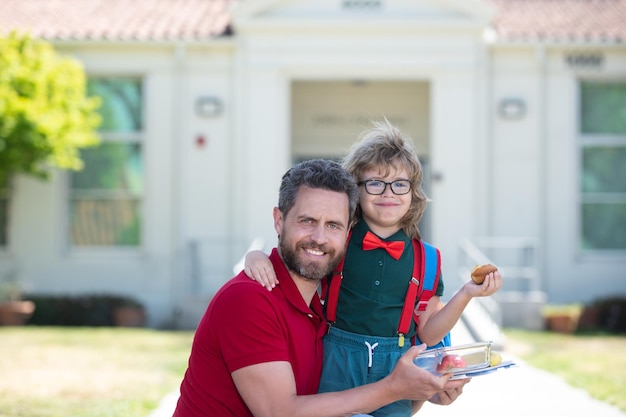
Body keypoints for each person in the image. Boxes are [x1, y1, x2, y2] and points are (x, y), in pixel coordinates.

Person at [172, 158, 469, 417]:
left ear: (348, 232)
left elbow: (349, 402)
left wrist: (423, 390)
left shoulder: (323, 306)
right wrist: (393, 388)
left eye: (333, 225)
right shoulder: (249, 299)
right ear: (278, 221)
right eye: (307, 221)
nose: (319, 237)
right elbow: (280, 412)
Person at [244, 121, 502, 416]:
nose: (388, 193)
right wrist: (257, 257)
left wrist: (467, 293)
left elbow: (430, 332)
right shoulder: (337, 238)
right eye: (375, 183)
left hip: (397, 363)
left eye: (399, 184)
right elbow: (295, 261)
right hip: (337, 359)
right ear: (356, 189)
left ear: (413, 192)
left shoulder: (428, 258)